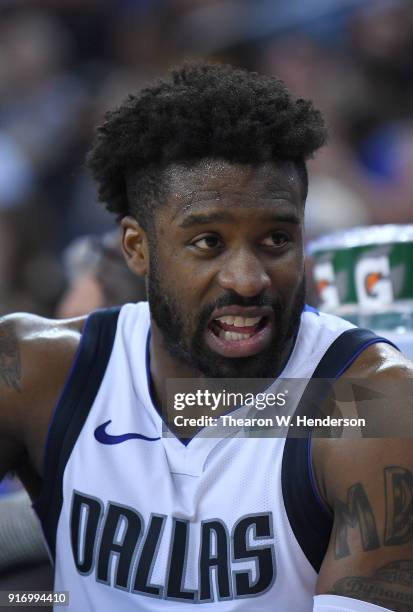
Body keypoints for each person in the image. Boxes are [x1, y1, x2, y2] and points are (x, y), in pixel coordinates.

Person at [0, 61, 412, 612]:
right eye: (208, 242)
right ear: (136, 248)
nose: (248, 280)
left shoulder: (365, 404)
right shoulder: (37, 372)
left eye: (276, 239)